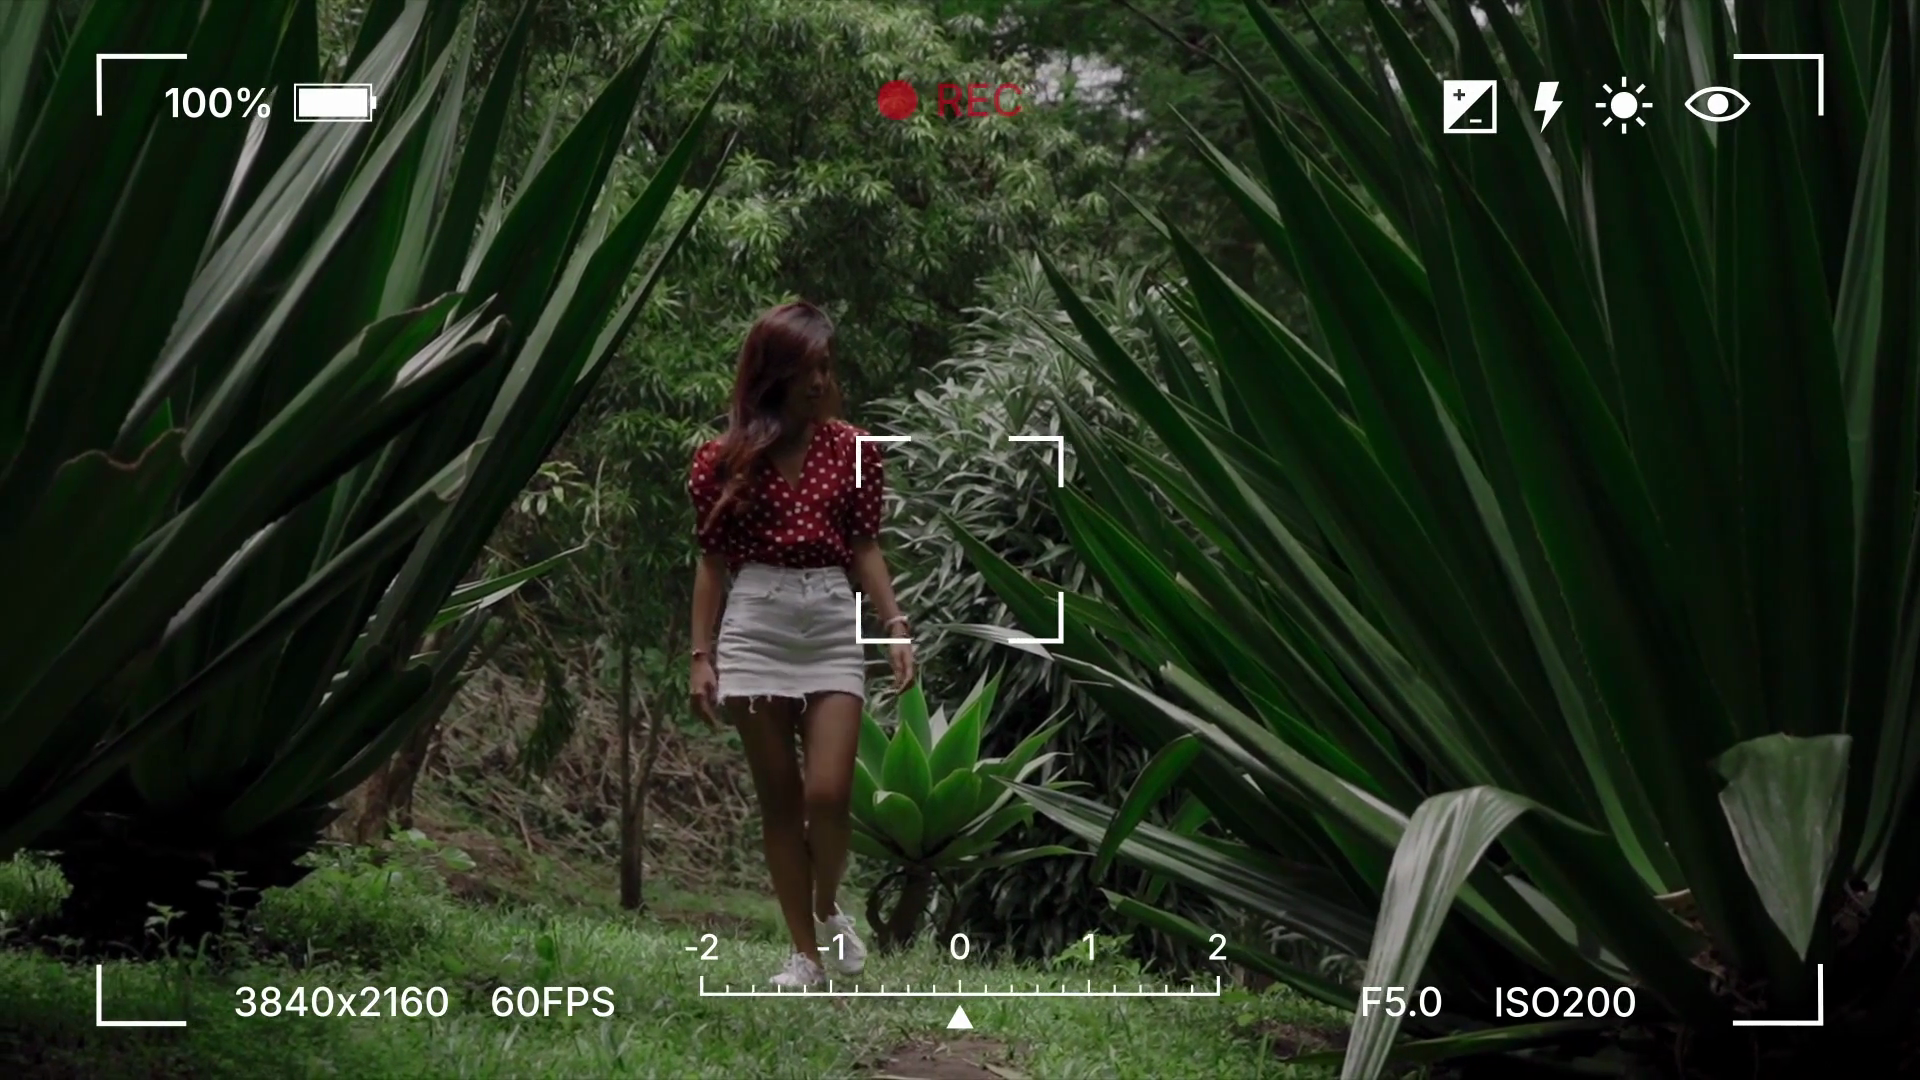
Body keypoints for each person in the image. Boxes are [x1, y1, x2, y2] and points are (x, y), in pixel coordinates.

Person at [686, 300, 916, 988]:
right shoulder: (722, 460)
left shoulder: (854, 450)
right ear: (773, 372)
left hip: (831, 622)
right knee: (781, 804)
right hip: (755, 626)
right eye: (806, 367)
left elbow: (865, 546)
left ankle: (824, 905)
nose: (820, 380)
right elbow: (711, 563)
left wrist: (895, 625)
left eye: (826, 366)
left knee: (829, 795)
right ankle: (805, 957)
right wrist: (701, 656)